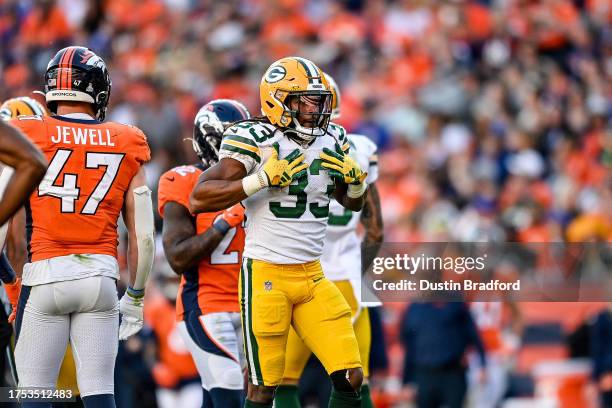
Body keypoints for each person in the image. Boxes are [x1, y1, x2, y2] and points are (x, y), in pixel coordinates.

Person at [190, 56, 368, 408]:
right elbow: (199, 197)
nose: (316, 108)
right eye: (306, 99)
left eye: (318, 100)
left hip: (314, 275)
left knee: (351, 377)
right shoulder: (254, 137)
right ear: (279, 100)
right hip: (267, 275)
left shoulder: (332, 137)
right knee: (263, 388)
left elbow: (350, 203)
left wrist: (357, 183)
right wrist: (260, 179)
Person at [7, 46, 154, 408]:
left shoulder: (28, 131)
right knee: (100, 391)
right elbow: (145, 237)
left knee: (35, 393)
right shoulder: (128, 139)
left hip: (45, 275)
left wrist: (11, 283)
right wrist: (135, 296)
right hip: (100, 280)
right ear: (99, 91)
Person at [275, 73, 384, 408]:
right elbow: (376, 230)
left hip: (298, 271)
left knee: (281, 381)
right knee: (355, 379)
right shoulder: (360, 149)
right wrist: (359, 270)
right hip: (347, 277)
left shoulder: (280, 147)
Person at [158, 99, 250, 407]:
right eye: (236, 143)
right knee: (230, 397)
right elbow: (177, 258)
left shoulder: (255, 183)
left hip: (253, 308)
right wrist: (221, 225)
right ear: (213, 143)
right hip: (207, 306)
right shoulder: (182, 180)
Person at [401, 301, 487, 408]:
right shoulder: (415, 309)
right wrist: (406, 381)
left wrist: (482, 365)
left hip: (452, 372)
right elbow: (409, 348)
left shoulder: (456, 305)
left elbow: (474, 335)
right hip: (425, 374)